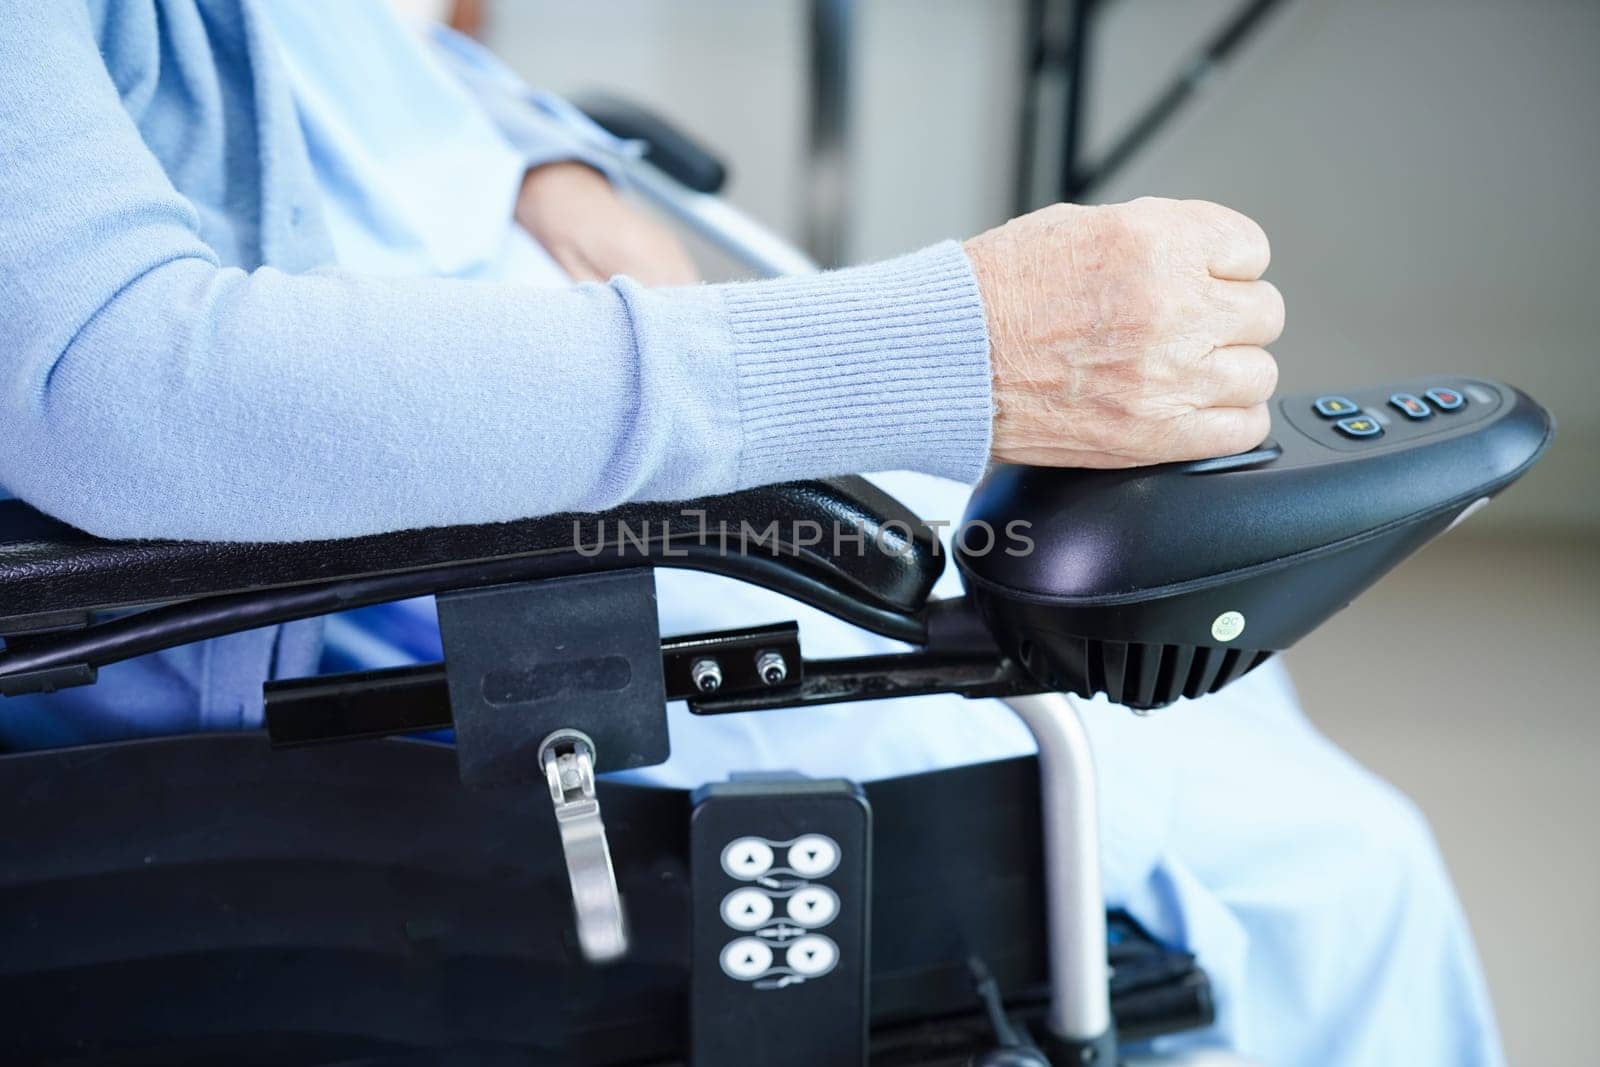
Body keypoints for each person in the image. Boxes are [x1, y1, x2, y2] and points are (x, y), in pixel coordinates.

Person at [0, 2, 1502, 1064]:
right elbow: (110, 380)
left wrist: (536, 159)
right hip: (425, 592)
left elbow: (323, 68)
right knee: (1321, 881)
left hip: (613, 457)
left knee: (1286, 791)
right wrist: (950, 349)